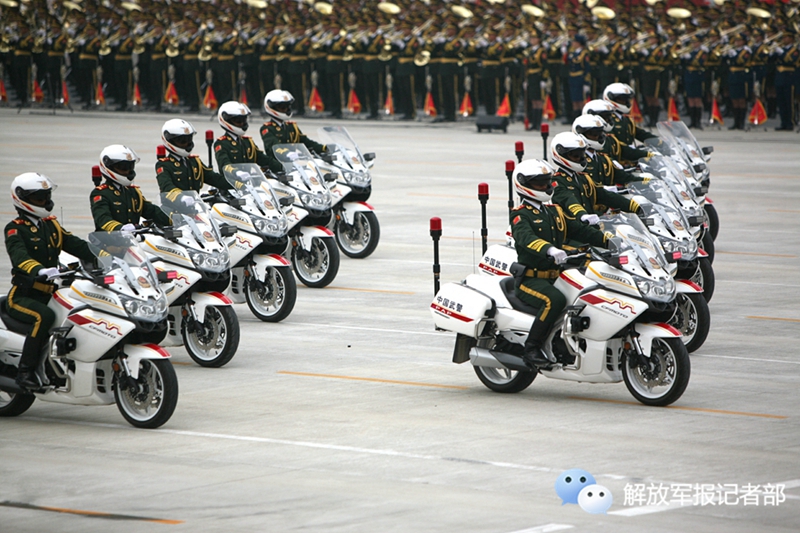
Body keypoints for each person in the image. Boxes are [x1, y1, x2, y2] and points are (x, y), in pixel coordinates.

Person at [510, 159, 610, 369]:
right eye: (540, 183)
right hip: (532, 278)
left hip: (558, 274)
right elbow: (525, 238)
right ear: (524, 185)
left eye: (547, 182)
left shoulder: (554, 210)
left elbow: (578, 230)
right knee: (554, 300)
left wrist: (608, 240)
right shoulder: (521, 215)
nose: (546, 187)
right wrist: (550, 250)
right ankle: (532, 348)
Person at [5, 173, 96, 389]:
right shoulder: (15, 229)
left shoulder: (51, 225)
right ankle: (25, 372)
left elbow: (75, 244)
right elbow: (20, 257)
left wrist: (105, 251)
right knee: (44, 316)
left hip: (52, 292)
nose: (45, 202)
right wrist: (39, 270)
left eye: (46, 197)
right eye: (39, 198)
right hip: (24, 296)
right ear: (22, 199)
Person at [549, 132, 640, 224]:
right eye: (575, 156)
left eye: (581, 155)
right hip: (573, 233)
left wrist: (635, 207)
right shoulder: (556, 182)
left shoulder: (583, 178)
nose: (580, 159)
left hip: (591, 228)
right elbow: (569, 201)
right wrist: (582, 215)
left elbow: (606, 196)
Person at [90, 145, 170, 232]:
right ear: (109, 167)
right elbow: (103, 219)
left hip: (133, 240)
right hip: (109, 242)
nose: (128, 171)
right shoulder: (101, 194)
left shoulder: (132, 192)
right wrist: (121, 228)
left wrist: (174, 220)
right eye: (123, 167)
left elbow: (152, 211)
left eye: (130, 167)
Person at [156, 119, 230, 199]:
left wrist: (237, 184)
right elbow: (166, 186)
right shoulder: (164, 165)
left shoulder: (194, 161)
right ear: (169, 140)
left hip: (195, 207)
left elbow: (214, 178)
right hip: (174, 209)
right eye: (182, 141)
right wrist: (181, 198)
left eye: (189, 139)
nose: (187, 144)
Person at [259, 90, 328, 172]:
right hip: (276, 169)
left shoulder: (291, 127)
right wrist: (287, 153)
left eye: (288, 107)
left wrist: (324, 148)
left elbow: (305, 142)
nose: (286, 110)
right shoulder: (267, 129)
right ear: (271, 107)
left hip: (294, 166)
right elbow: (274, 145)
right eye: (282, 107)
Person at [572, 115, 647, 187]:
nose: (598, 137)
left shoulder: (604, 159)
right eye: (594, 134)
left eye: (600, 133)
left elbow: (625, 178)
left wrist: (648, 181)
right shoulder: (576, 161)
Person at [582, 100, 652, 163]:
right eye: (605, 117)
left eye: (609, 117)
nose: (608, 120)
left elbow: (627, 152)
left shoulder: (609, 139)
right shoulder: (582, 144)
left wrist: (649, 154)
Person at [213, 101, 273, 173]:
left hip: (249, 182)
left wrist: (282, 167)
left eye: (243, 120)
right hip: (231, 182)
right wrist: (236, 172)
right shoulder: (222, 144)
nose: (242, 124)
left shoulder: (247, 142)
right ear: (227, 120)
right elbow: (224, 164)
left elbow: (263, 159)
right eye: (238, 121)